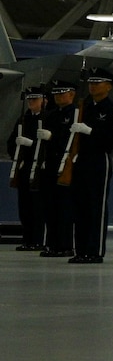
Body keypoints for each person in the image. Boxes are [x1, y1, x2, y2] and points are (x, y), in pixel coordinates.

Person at [63, 68, 113, 264]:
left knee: (95, 207)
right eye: (91, 82)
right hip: (80, 160)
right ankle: (81, 249)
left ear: (108, 86)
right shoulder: (84, 107)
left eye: (98, 82)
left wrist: (90, 131)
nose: (93, 85)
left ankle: (95, 251)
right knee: (79, 207)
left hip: (99, 159)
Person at [38, 79, 79, 257]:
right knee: (50, 206)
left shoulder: (75, 114)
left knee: (65, 208)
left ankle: (65, 245)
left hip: (66, 164)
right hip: (50, 164)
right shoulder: (51, 115)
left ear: (71, 94)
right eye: (56, 94)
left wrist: (52, 138)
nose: (58, 97)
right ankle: (52, 244)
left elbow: (70, 141)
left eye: (62, 93)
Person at [9, 85, 49, 251]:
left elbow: (49, 145)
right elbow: (11, 142)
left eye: (35, 99)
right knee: (24, 206)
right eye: (30, 99)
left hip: (40, 169)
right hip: (25, 167)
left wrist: (32, 145)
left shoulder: (47, 119)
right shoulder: (23, 120)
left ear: (44, 101)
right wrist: (17, 156)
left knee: (38, 207)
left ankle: (39, 239)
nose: (31, 102)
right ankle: (28, 239)